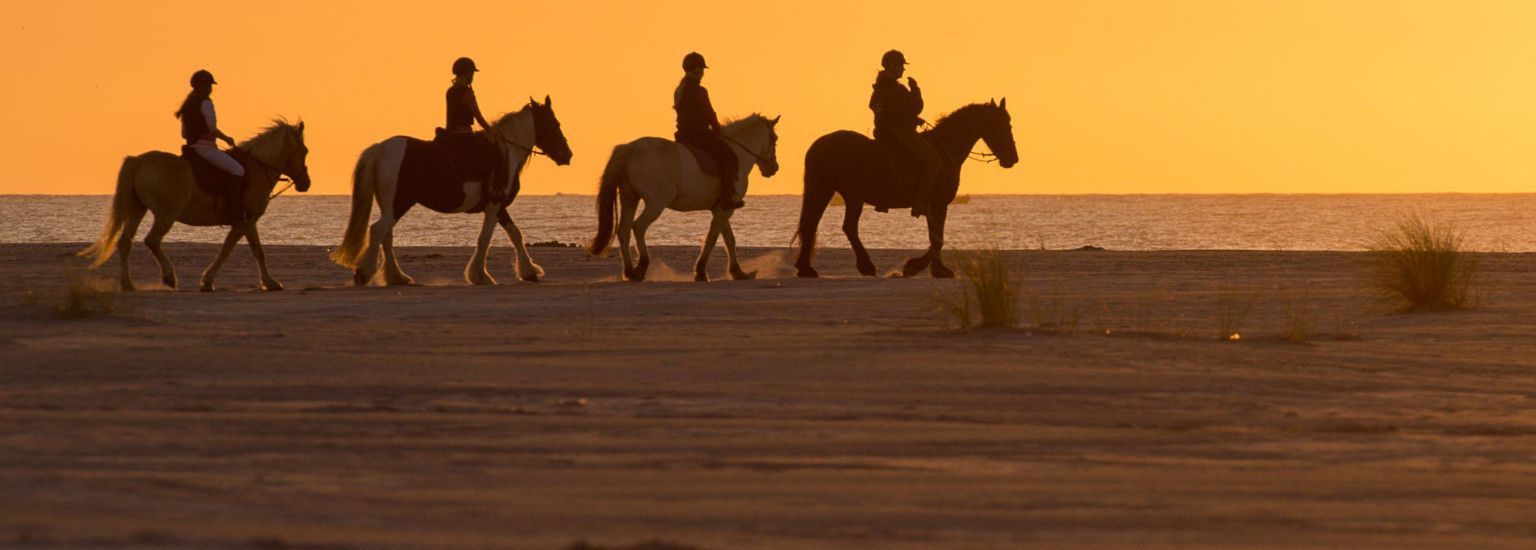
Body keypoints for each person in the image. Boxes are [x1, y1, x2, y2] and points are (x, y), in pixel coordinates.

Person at [869, 50, 941, 217]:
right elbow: (915, 107)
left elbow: (887, 112)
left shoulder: (880, 88)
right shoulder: (896, 89)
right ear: (892, 66)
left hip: (883, 132)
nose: (903, 69)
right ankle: (919, 202)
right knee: (934, 160)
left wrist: (913, 120)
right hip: (899, 134)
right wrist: (915, 89)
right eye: (901, 65)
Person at [674, 52, 744, 210]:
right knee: (730, 157)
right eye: (702, 69)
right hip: (699, 135)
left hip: (682, 135)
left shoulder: (679, 90)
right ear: (697, 70)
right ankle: (727, 197)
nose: (703, 73)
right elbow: (710, 113)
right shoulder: (700, 91)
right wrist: (718, 129)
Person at [175, 69, 246, 221]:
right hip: (205, 148)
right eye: (210, 86)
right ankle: (234, 211)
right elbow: (212, 129)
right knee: (238, 169)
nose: (211, 89)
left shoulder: (188, 104)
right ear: (206, 86)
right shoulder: (206, 103)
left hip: (192, 147)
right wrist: (227, 139)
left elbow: (184, 134)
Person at [442, 56, 501, 195]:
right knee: (491, 156)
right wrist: (490, 130)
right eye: (471, 73)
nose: (472, 76)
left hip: (450, 133)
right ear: (466, 74)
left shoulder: (450, 91)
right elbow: (478, 115)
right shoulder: (467, 92)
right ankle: (489, 190)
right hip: (464, 134)